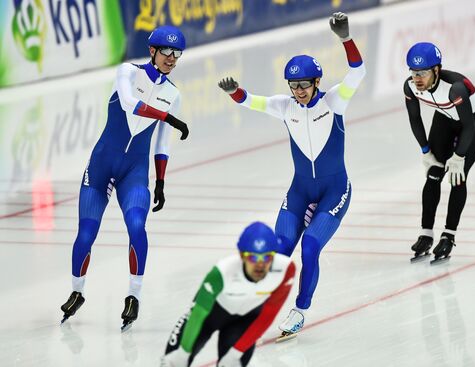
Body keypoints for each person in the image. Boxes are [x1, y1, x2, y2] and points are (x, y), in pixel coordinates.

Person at [217, 12, 365, 337]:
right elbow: (253, 102)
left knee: (310, 247)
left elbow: (358, 71)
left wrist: (345, 39)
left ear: (316, 83)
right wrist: (235, 93)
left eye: (304, 84)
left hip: (334, 191)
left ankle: (299, 310)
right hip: (300, 191)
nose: (298, 91)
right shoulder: (286, 106)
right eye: (293, 85)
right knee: (280, 248)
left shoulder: (334, 102)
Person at [60, 25, 190, 330]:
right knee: (87, 233)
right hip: (102, 165)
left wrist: (159, 181)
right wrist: (168, 117)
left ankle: (134, 296)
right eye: (167, 51)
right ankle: (77, 291)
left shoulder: (173, 94)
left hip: (134, 172)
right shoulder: (128, 72)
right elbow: (130, 102)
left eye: (178, 53)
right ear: (152, 51)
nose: (172, 58)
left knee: (136, 226)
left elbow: (162, 143)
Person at [160, 222, 295, 367]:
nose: (260, 264)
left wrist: (236, 352)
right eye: (253, 258)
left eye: (267, 257)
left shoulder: (286, 270)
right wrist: (183, 352)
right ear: (242, 256)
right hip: (208, 315)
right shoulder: (222, 272)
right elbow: (198, 313)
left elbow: (268, 314)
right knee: (172, 362)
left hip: (243, 321)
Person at [404, 42, 475, 264]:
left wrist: (459, 156)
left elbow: (469, 126)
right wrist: (426, 151)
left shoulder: (455, 87)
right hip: (445, 116)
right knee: (433, 173)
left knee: (457, 176)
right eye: (413, 73)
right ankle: (426, 233)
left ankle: (448, 235)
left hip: (474, 120)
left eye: (422, 73)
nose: (417, 78)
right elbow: (415, 119)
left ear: (436, 70)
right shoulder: (410, 87)